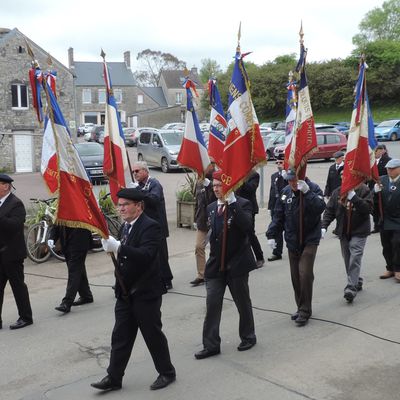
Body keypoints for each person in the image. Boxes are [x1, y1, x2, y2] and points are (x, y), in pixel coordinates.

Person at [92, 188, 176, 392]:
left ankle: (167, 372)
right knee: (120, 337)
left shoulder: (151, 226)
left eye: (125, 204)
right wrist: (114, 247)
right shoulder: (126, 227)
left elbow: (146, 255)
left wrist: (118, 247)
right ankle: (114, 377)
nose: (120, 208)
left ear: (138, 206)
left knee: (152, 335)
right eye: (119, 205)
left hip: (146, 293)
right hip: (125, 292)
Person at [194, 170, 257, 359]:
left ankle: (248, 335)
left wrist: (234, 205)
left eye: (219, 185)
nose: (216, 189)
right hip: (216, 265)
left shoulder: (243, 204)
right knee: (212, 303)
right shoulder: (212, 206)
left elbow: (247, 227)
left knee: (242, 302)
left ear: (229, 186)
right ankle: (211, 344)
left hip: (237, 263)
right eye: (214, 186)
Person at [266, 169, 325, 326]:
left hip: (310, 238)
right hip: (292, 240)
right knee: (295, 276)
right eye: (289, 180)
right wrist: (271, 234)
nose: (291, 183)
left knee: (305, 273)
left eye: (294, 180)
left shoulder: (313, 188)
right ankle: (300, 307)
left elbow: (320, 207)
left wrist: (307, 193)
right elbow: (278, 215)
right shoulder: (285, 192)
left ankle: (305, 310)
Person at [321, 182, 373, 302]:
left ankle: (351, 288)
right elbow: (330, 210)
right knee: (347, 259)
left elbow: (368, 209)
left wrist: (354, 198)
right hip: (343, 232)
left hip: (359, 231)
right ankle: (356, 280)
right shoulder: (338, 191)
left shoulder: (364, 190)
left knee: (355, 257)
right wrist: (324, 226)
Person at [130, 161, 173, 290]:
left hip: (157, 225)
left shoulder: (154, 183)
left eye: (137, 171)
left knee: (161, 255)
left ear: (145, 171)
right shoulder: (140, 185)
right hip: (146, 226)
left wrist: (139, 192)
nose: (135, 174)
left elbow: (154, 199)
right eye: (133, 172)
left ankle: (167, 280)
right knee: (148, 255)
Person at [0, 174, 33, 330]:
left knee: (18, 286)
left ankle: (26, 317)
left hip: (12, 254)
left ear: (6, 186)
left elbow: (15, 226)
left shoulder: (16, 204)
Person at [51, 226, 93, 313]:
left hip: (80, 239)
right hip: (66, 240)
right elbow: (58, 219)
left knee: (74, 270)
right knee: (77, 268)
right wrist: (52, 237)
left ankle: (67, 302)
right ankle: (86, 295)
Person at [374, 159, 400, 281]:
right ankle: (389, 268)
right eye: (388, 169)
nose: (389, 171)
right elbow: (373, 202)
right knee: (386, 245)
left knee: (397, 244)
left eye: (392, 168)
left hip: (398, 219)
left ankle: (398, 269)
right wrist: (375, 192)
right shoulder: (382, 180)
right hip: (385, 219)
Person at [190, 172, 216, 286]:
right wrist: (195, 218)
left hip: (215, 219)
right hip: (202, 221)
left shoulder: (217, 179)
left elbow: (215, 199)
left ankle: (218, 272)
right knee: (199, 246)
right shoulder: (199, 182)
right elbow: (198, 202)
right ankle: (202, 274)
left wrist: (210, 185)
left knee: (217, 248)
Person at [236, 170, 265, 267]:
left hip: (248, 208)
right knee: (237, 234)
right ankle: (242, 258)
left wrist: (242, 179)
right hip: (236, 206)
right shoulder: (235, 172)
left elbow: (251, 189)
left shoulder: (254, 174)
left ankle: (259, 257)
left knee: (250, 233)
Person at [267, 159, 287, 261]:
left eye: (281, 162)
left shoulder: (288, 175)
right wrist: (270, 207)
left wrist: (285, 178)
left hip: (287, 207)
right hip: (276, 207)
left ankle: (295, 249)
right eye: (277, 163)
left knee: (289, 229)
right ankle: (277, 252)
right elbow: (272, 191)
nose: (279, 165)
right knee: (277, 229)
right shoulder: (274, 176)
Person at [370, 144, 391, 233]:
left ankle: (384, 223)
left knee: (383, 206)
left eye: (378, 151)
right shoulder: (372, 161)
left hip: (383, 187)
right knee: (374, 207)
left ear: (383, 151)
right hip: (373, 187)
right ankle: (377, 225)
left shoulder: (388, 160)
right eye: (375, 151)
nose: (376, 153)